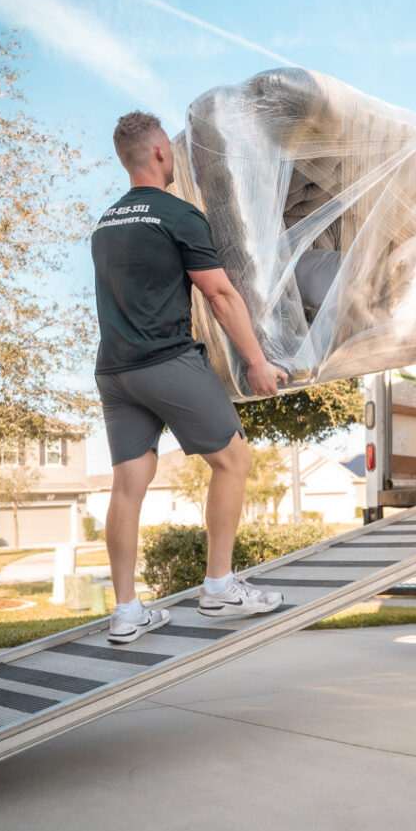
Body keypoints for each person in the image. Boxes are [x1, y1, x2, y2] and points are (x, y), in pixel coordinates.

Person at [92, 111, 288, 644]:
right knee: (233, 459)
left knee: (130, 484)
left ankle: (127, 610)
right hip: (165, 362)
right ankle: (220, 586)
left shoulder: (105, 224)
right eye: (171, 150)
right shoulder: (176, 214)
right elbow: (220, 294)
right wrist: (256, 361)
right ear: (159, 152)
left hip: (114, 372)